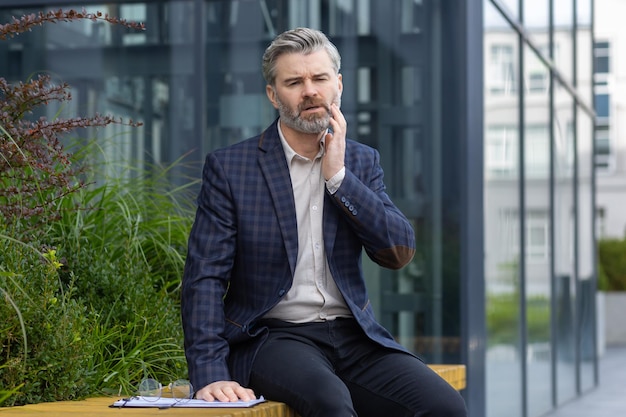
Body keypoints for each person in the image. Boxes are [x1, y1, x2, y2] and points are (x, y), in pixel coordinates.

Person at [181, 27, 467, 417]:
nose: (310, 91)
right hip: (273, 337)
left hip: (353, 335)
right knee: (329, 401)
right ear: (273, 94)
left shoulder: (361, 162)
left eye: (319, 78)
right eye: (294, 82)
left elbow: (397, 251)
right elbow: (204, 278)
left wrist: (340, 179)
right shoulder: (232, 168)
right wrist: (210, 372)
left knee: (444, 406)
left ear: (339, 85)